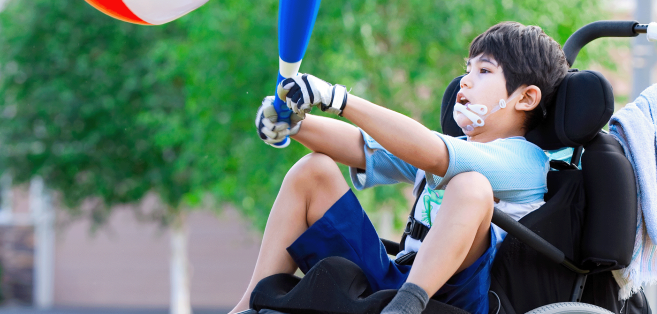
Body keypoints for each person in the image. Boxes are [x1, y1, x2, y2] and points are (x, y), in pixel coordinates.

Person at [230, 21, 569, 314]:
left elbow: (436, 154)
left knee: (471, 187)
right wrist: (293, 122)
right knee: (313, 171)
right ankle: (249, 305)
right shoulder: (451, 149)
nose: (464, 81)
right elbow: (364, 147)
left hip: (459, 298)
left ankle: (407, 305)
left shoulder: (526, 161)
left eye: (483, 71)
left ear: (525, 99)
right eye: (467, 69)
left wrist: (337, 99)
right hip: (398, 279)